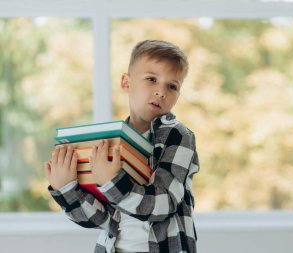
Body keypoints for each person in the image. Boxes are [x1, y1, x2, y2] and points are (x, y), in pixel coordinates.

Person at [44, 40, 200, 253]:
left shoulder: (178, 135)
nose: (161, 91)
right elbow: (101, 219)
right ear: (126, 82)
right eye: (151, 79)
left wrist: (111, 181)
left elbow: (164, 204)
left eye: (171, 86)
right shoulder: (114, 142)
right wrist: (66, 189)